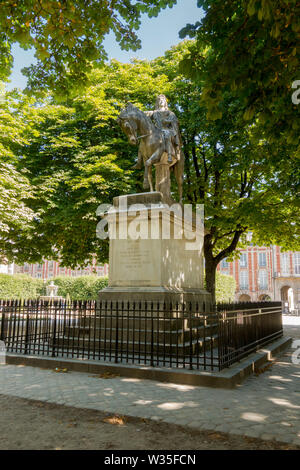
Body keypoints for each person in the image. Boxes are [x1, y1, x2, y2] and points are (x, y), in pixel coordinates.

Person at [146, 94, 181, 164]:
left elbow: (175, 122)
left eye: (163, 100)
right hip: (157, 131)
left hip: (167, 130)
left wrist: (167, 121)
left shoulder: (170, 113)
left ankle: (169, 155)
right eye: (159, 100)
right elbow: (143, 115)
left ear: (165, 102)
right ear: (157, 102)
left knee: (167, 134)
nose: (161, 101)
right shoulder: (154, 113)